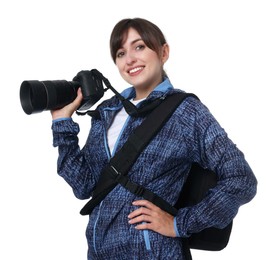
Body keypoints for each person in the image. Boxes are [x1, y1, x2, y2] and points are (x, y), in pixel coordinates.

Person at [51, 18, 257, 260]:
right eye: (120, 53)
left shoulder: (185, 112)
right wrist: (61, 123)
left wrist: (180, 224)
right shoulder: (107, 112)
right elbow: (84, 185)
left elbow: (241, 179)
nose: (129, 59)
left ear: (163, 52)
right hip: (99, 254)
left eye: (139, 47)